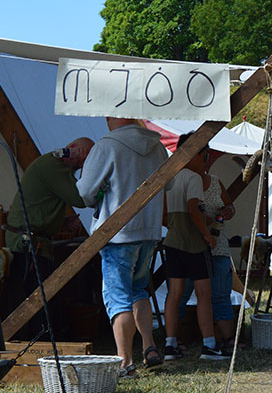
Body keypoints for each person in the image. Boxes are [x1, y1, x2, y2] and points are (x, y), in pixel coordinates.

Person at [78, 117, 168, 377]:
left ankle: (125, 362)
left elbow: (85, 192)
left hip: (117, 234)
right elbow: (168, 184)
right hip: (149, 230)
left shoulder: (108, 146)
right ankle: (149, 347)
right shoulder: (158, 146)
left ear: (112, 117)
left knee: (118, 297)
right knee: (138, 289)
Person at [2, 137, 93, 337]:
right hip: (26, 243)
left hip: (33, 241)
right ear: (71, 150)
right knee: (36, 299)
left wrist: (60, 223)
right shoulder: (53, 166)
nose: (81, 167)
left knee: (39, 296)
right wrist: (92, 173)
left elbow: (40, 205)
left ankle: (40, 340)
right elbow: (80, 198)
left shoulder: (54, 166)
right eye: (81, 161)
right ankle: (39, 343)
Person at [162, 134, 224, 361]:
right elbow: (193, 209)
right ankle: (209, 345)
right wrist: (207, 235)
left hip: (173, 243)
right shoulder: (194, 178)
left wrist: (175, 227)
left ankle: (170, 345)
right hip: (195, 246)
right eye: (205, 155)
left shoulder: (169, 177)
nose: (206, 161)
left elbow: (163, 214)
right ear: (195, 154)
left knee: (174, 294)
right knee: (204, 295)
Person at [184, 143, 237, 352]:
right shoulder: (183, 181)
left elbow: (230, 205)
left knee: (221, 292)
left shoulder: (215, 182)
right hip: (190, 244)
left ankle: (227, 338)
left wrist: (227, 211)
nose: (206, 161)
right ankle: (179, 337)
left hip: (217, 244)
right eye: (203, 156)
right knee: (182, 292)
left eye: (207, 157)